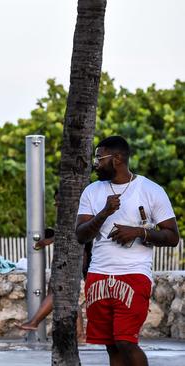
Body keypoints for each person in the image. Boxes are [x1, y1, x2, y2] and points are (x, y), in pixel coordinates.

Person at [76, 136, 179, 366]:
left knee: (126, 342)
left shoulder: (150, 190)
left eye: (99, 158)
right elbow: (80, 235)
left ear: (117, 158)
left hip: (134, 275)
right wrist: (104, 212)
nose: (95, 163)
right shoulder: (92, 191)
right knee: (111, 345)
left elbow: (172, 236)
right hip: (99, 275)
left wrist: (139, 233)